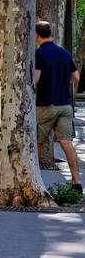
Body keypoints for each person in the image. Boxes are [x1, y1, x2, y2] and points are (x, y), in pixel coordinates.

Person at [34, 20, 82, 193]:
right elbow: (76, 78)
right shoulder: (64, 53)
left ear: (36, 35)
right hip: (65, 105)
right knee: (66, 143)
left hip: (45, 105)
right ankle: (76, 182)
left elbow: (35, 80)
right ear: (50, 33)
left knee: (36, 143)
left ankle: (35, 181)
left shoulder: (39, 54)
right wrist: (62, 82)